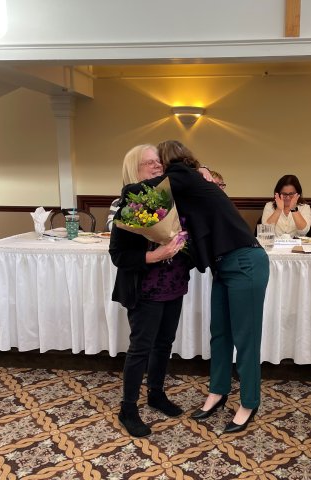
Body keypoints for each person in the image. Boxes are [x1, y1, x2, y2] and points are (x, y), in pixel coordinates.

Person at [127, 140, 270, 434]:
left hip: (245, 261)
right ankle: (217, 391)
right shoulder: (190, 180)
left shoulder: (182, 177)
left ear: (169, 162)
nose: (156, 168)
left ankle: (249, 400)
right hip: (224, 265)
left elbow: (141, 192)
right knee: (220, 334)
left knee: (245, 338)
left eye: (158, 162)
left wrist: (135, 180)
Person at [109, 144, 190, 438]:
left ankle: (156, 393)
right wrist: (154, 255)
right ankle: (128, 407)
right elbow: (118, 255)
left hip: (174, 282)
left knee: (164, 343)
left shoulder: (169, 199)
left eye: (158, 162)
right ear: (134, 169)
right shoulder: (131, 203)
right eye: (148, 163)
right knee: (141, 348)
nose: (157, 166)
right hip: (146, 287)